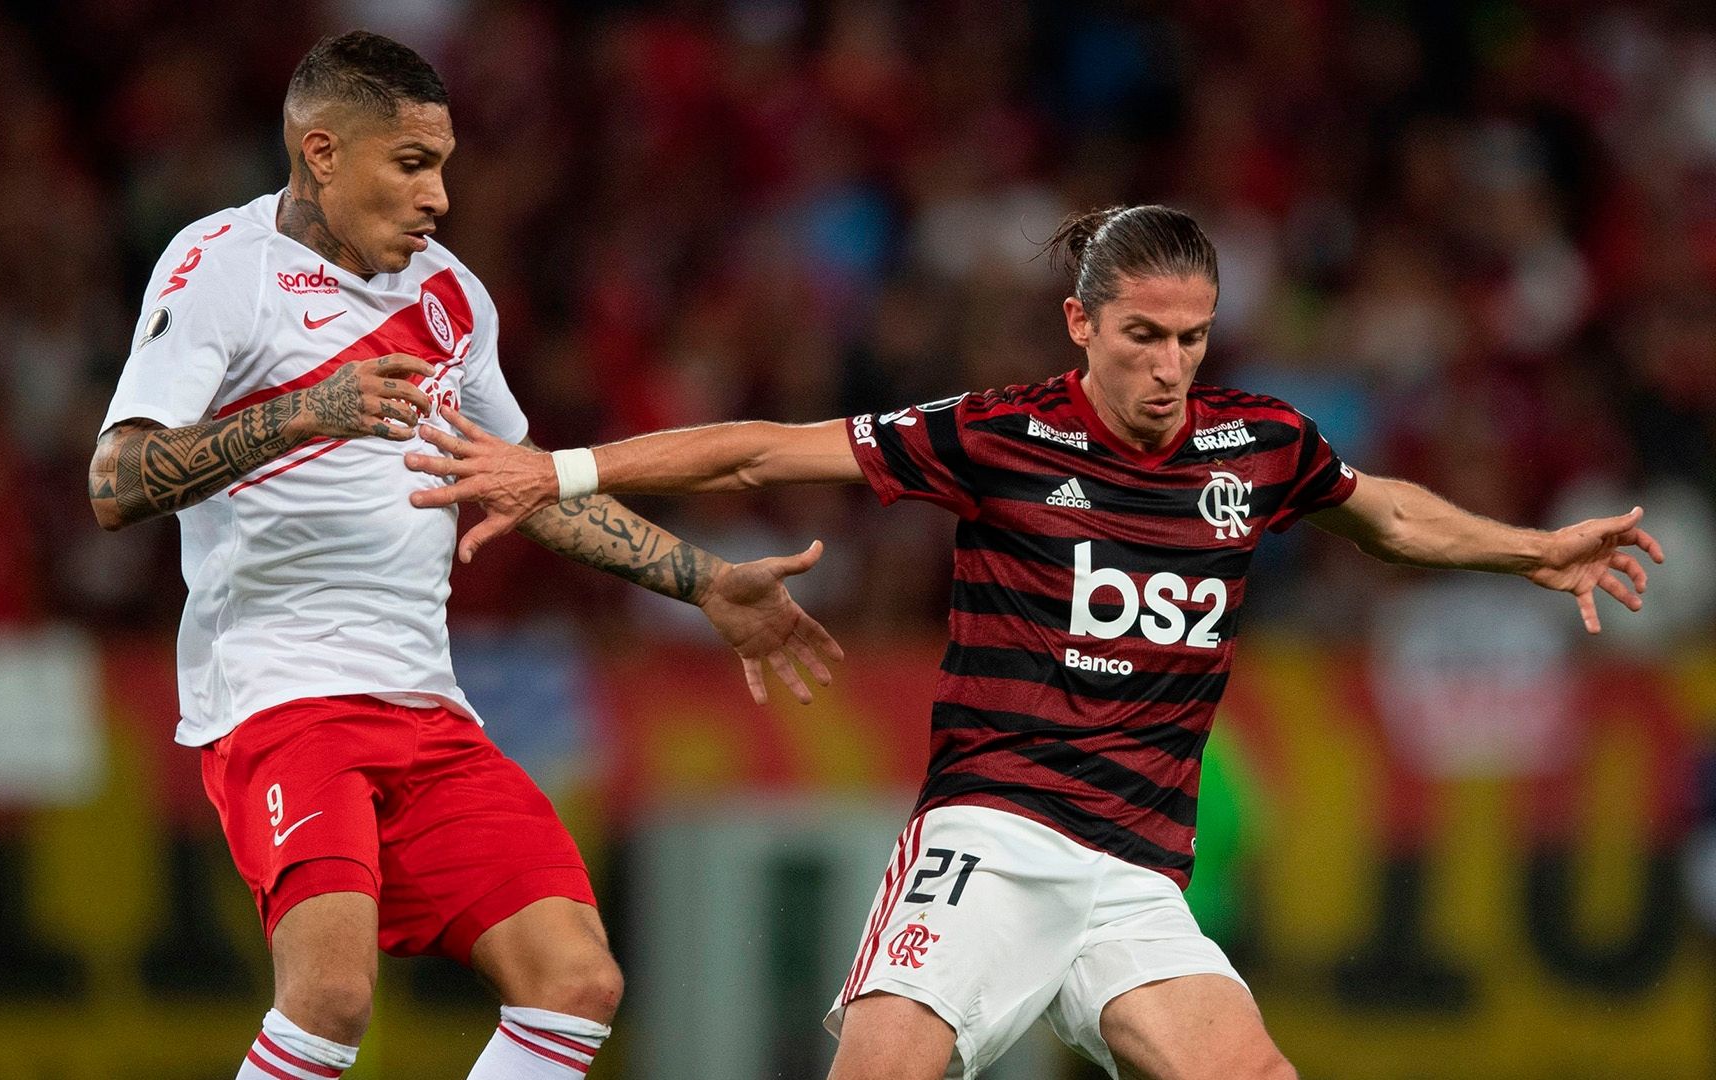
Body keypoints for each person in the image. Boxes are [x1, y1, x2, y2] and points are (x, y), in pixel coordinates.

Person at [403, 204, 1666, 1080]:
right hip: (994, 840)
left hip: (1136, 879)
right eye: (1141, 338)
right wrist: (554, 469)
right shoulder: (998, 435)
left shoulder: (1260, 444)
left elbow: (1381, 510)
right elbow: (760, 448)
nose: (1170, 368)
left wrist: (1531, 548)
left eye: (1192, 339)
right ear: (1080, 325)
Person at [87, 30, 841, 1080]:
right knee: (331, 998)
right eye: (412, 164)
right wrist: (302, 413)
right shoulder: (221, 269)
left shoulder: (452, 299)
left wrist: (706, 582)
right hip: (279, 694)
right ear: (321, 153)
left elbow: (519, 482)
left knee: (577, 984)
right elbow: (115, 484)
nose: (440, 195)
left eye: (443, 163)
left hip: (425, 707)